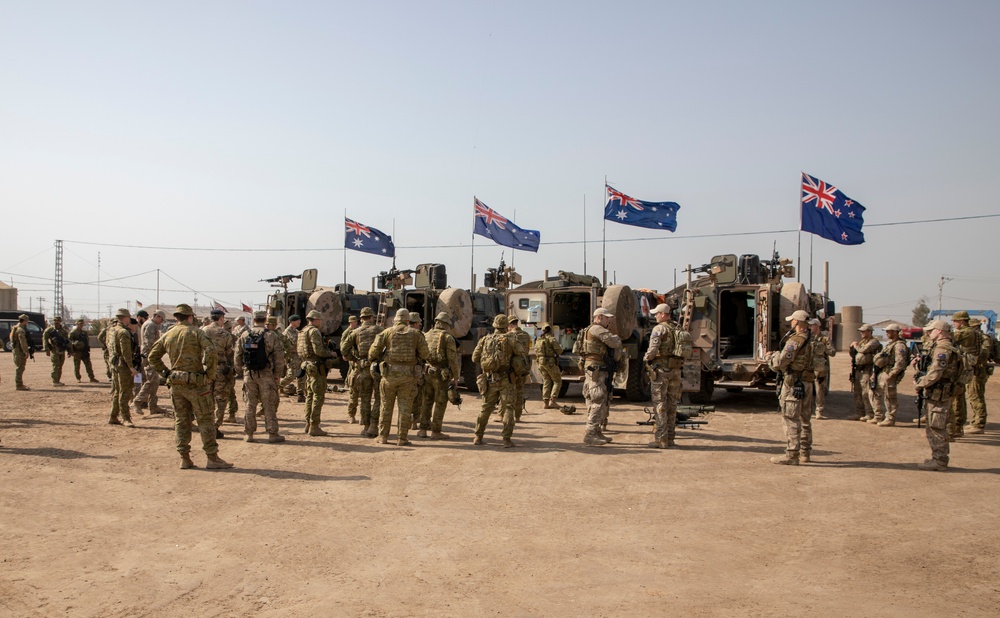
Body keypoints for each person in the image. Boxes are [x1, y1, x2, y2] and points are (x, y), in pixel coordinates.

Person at [148, 304, 233, 470]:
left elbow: (153, 356)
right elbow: (211, 351)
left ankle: (185, 458)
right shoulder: (196, 332)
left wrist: (166, 373)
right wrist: (209, 374)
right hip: (196, 384)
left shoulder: (169, 334)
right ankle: (212, 458)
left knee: (181, 420)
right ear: (190, 317)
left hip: (176, 384)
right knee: (206, 419)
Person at [368, 308, 429, 446]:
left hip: (389, 376)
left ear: (396, 319)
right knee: (405, 408)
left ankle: (383, 436)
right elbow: (425, 354)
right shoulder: (416, 334)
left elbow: (372, 352)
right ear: (408, 320)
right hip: (409, 377)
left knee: (386, 406)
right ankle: (402, 438)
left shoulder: (387, 332)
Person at [766, 309, 816, 465]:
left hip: (794, 384)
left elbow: (780, 363)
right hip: (807, 383)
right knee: (805, 419)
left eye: (792, 321)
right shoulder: (812, 340)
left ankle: (792, 455)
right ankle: (805, 453)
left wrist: (770, 357)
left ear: (797, 322)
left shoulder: (795, 341)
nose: (791, 323)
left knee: (791, 419)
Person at [914, 320, 962, 471]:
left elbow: (936, 372)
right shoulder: (948, 346)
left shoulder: (943, 349)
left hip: (940, 393)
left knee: (937, 426)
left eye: (931, 330)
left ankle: (940, 461)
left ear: (939, 331)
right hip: (939, 392)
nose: (929, 333)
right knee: (935, 425)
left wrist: (920, 384)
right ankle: (937, 457)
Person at [471, 314, 522, 447]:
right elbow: (521, 353)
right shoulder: (511, 339)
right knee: (508, 408)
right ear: (506, 326)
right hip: (506, 378)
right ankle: (506, 439)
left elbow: (474, 358)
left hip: (490, 378)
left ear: (494, 325)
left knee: (485, 408)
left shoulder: (485, 339)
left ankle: (478, 436)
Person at [234, 312, 286, 443]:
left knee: (250, 404)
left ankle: (249, 434)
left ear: (254, 319)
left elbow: (237, 356)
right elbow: (279, 358)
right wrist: (277, 375)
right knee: (269, 404)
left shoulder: (245, 335)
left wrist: (242, 371)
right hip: (266, 374)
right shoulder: (271, 335)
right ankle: (272, 434)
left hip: (249, 374)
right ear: (265, 320)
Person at [574, 307, 622, 446]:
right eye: (607, 318)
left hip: (596, 368)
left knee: (597, 399)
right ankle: (590, 433)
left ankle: (597, 431)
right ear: (599, 317)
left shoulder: (590, 329)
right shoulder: (597, 329)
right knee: (598, 399)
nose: (608, 321)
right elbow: (614, 342)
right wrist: (617, 338)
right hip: (596, 369)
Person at [643, 303, 684, 449]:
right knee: (672, 404)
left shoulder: (659, 328)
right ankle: (671, 438)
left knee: (659, 404)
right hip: (676, 369)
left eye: (656, 313)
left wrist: (646, 358)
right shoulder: (677, 328)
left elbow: (653, 349)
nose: (655, 316)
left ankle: (661, 439)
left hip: (661, 370)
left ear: (663, 314)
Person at [340, 307, 381, 437]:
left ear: (361, 318)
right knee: (379, 399)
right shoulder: (380, 330)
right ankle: (374, 426)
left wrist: (355, 360)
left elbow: (344, 349)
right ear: (371, 317)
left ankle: (366, 426)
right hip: (377, 368)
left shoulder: (355, 332)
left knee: (365, 399)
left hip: (362, 368)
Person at [418, 311, 459, 439]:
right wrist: (456, 376)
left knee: (427, 400)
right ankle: (436, 431)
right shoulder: (447, 337)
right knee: (440, 402)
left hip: (427, 371)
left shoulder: (426, 335)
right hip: (441, 374)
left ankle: (423, 429)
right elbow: (452, 359)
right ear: (446, 324)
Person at [298, 309, 335, 436]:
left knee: (309, 395)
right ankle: (314, 426)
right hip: (316, 366)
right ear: (315, 320)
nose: (320, 322)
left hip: (307, 365)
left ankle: (308, 423)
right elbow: (319, 351)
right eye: (319, 320)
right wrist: (331, 353)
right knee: (318, 396)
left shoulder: (302, 331)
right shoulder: (314, 331)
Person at [949, 311, 983, 439]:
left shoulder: (966, 332)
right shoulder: (972, 332)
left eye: (955, 321)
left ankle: (956, 426)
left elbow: (951, 337)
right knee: (960, 396)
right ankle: (958, 426)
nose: (954, 324)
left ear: (962, 321)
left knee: (957, 397)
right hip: (968, 366)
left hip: (964, 367)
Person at [203, 309, 235, 435]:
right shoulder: (225, 334)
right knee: (221, 398)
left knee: (206, 397)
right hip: (221, 369)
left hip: (206, 368)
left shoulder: (203, 331)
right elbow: (229, 353)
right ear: (221, 318)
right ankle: (215, 426)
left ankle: (206, 424)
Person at [871, 324, 910, 427]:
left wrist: (892, 374)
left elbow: (900, 362)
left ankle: (890, 418)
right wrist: (874, 373)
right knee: (874, 392)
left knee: (890, 396)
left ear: (895, 332)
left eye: (888, 331)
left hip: (889, 374)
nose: (886, 333)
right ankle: (878, 416)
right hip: (882, 372)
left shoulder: (899, 345)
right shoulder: (890, 344)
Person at [106, 308, 138, 427]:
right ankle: (125, 418)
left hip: (114, 363)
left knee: (117, 391)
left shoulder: (112, 330)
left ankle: (113, 416)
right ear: (125, 318)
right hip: (122, 365)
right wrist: (131, 367)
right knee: (125, 391)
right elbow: (126, 352)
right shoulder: (123, 332)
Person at [135, 310, 166, 414]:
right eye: (161, 319)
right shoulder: (150, 325)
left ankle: (153, 406)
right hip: (149, 356)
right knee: (151, 381)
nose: (161, 322)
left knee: (155, 381)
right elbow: (150, 343)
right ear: (157, 316)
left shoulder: (149, 324)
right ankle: (138, 401)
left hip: (150, 356)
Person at [849, 324, 882, 421]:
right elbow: (854, 354)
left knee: (866, 392)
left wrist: (855, 346)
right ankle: (859, 412)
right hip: (859, 369)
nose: (861, 333)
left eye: (863, 331)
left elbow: (863, 350)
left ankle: (869, 413)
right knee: (858, 392)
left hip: (868, 369)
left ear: (869, 331)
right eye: (861, 331)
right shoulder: (862, 342)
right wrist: (852, 348)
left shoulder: (874, 342)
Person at [966, 318, 991, 434]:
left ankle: (979, 424)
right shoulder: (975, 339)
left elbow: (984, 354)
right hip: (974, 370)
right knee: (972, 396)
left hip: (979, 371)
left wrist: (974, 363)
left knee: (977, 396)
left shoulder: (983, 339)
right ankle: (975, 421)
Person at [507, 315, 533, 422]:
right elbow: (528, 348)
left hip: (512, 367)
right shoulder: (526, 335)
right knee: (520, 391)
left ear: (510, 324)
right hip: (523, 366)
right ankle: (517, 416)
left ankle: (506, 415)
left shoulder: (509, 336)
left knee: (509, 391)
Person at [809, 318, 835, 419]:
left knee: (819, 390)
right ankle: (809, 411)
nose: (810, 327)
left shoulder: (825, 339)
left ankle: (819, 411)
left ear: (817, 326)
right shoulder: (808, 338)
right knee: (808, 390)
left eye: (812, 325)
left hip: (820, 369)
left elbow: (832, 352)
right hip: (809, 368)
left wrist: (821, 348)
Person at [534, 324, 563, 410]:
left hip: (541, 362)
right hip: (550, 362)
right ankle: (553, 401)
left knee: (546, 381)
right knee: (557, 381)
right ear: (550, 330)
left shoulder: (539, 339)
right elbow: (559, 351)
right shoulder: (551, 339)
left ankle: (545, 402)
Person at [407, 312, 428, 427]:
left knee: (405, 396)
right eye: (419, 322)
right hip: (416, 369)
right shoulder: (419, 334)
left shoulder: (397, 332)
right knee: (417, 395)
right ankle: (415, 419)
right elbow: (424, 354)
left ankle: (406, 419)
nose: (420, 324)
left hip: (400, 370)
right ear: (415, 323)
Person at [280, 314, 305, 402]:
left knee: (301, 375)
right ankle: (279, 386)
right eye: (298, 320)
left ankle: (300, 394)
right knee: (291, 375)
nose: (299, 322)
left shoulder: (297, 331)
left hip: (299, 356)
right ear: (292, 322)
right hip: (292, 356)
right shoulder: (287, 332)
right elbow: (293, 343)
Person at [68, 318, 99, 383]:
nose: (81, 325)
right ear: (77, 324)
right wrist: (71, 351)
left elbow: (87, 340)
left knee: (88, 365)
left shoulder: (84, 332)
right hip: (77, 351)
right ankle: (78, 378)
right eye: (80, 324)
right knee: (77, 365)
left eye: (82, 324)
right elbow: (69, 342)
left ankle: (92, 378)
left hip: (84, 351)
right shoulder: (73, 332)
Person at [42, 315, 70, 386]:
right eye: (55, 321)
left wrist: (70, 350)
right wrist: (47, 349)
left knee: (60, 365)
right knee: (56, 365)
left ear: (60, 322)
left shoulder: (63, 331)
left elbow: (67, 341)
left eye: (58, 321)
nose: (56, 322)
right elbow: (45, 339)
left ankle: (58, 380)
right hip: (54, 350)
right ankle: (55, 381)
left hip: (61, 350)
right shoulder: (50, 330)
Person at [10, 314, 33, 390]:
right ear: (24, 321)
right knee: (20, 367)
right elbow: (22, 342)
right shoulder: (20, 330)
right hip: (19, 351)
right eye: (27, 321)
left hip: (16, 350)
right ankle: (19, 384)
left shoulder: (15, 328)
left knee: (19, 367)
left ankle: (19, 384)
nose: (27, 323)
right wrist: (26, 351)